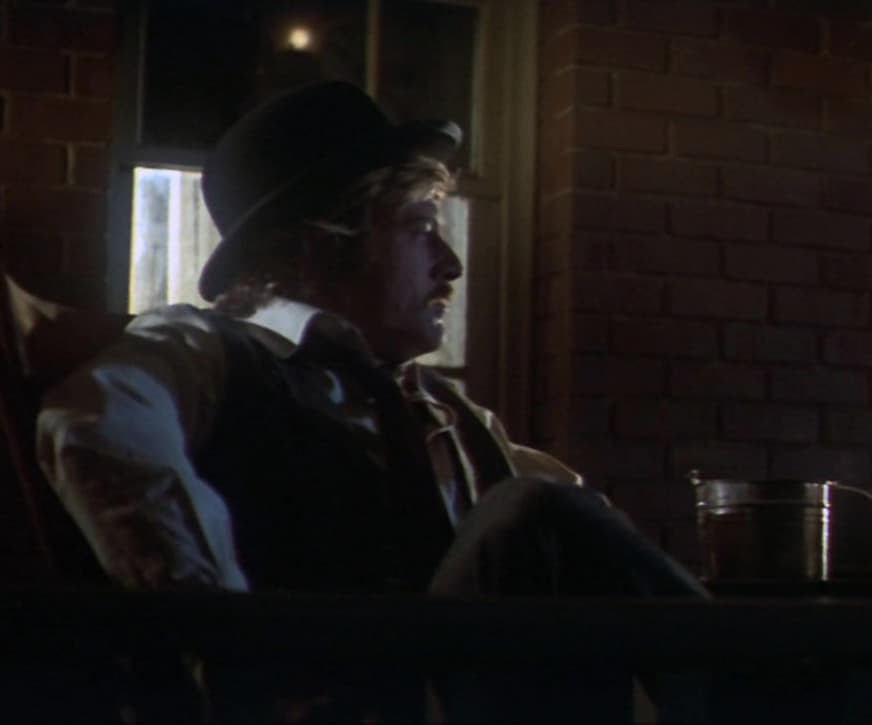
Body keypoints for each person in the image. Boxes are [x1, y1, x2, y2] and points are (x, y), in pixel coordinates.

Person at [35, 80, 705, 721]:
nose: (451, 264)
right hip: (343, 701)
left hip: (473, 697)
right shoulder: (206, 347)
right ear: (315, 246)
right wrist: (230, 640)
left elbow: (584, 533)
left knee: (548, 507)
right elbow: (94, 427)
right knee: (537, 506)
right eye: (419, 227)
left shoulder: (446, 412)